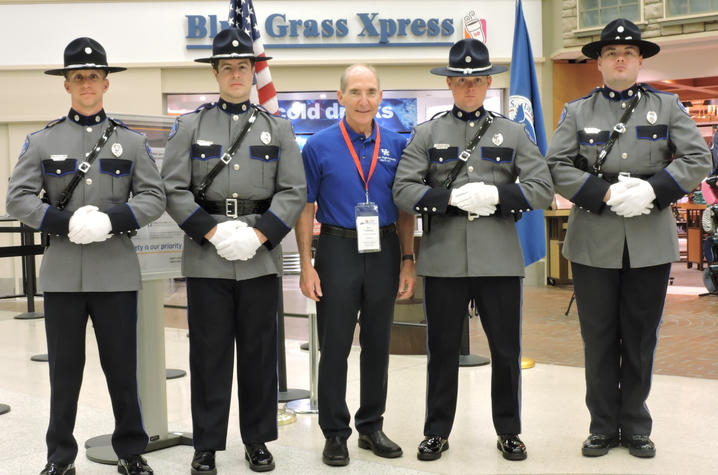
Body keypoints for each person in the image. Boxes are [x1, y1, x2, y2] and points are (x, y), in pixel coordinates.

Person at [546, 18, 712, 458]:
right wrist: (603, 193)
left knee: (640, 337)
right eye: (611, 53)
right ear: (599, 63)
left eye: (629, 53)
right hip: (593, 238)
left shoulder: (669, 106)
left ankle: (636, 425)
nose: (620, 59)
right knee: (597, 336)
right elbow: (556, 165)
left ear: (640, 61)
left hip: (648, 236)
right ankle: (602, 425)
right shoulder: (577, 111)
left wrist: (653, 191)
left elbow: (698, 157)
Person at [5, 37, 165, 475]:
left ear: (106, 83)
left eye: (94, 76)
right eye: (79, 77)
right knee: (64, 374)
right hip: (62, 276)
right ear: (67, 85)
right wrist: (62, 222)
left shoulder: (130, 142)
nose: (87, 83)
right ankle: (59, 457)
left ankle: (131, 452)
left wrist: (112, 221)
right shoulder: (42, 140)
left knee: (122, 371)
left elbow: (154, 197)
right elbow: (16, 199)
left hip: (115, 272)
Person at [392, 38, 553, 462]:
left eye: (477, 80)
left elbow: (541, 187)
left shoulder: (512, 132)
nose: (469, 88)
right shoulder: (428, 133)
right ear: (449, 84)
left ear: (487, 83)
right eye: (461, 81)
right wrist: (449, 200)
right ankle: (436, 430)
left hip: (499, 257)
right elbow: (404, 189)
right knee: (442, 351)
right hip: (444, 257)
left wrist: (497, 195)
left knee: (505, 350)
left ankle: (509, 430)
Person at [162, 28, 306, 474]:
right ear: (216, 73)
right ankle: (206, 444)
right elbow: (172, 188)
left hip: (259, 258)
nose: (236, 74)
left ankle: (257, 440)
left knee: (260, 354)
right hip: (208, 257)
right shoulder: (190, 125)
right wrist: (211, 232)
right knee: (208, 353)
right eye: (228, 67)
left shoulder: (276, 127)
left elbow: (293, 190)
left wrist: (259, 235)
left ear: (253, 71)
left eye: (244, 66)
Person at [296, 64, 416, 467]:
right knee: (334, 348)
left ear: (381, 96)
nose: (364, 100)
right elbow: (306, 206)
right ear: (340, 96)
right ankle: (334, 433)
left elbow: (405, 208)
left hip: (383, 249)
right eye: (355, 92)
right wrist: (306, 266)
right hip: (336, 249)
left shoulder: (398, 144)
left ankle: (371, 426)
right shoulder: (318, 146)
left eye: (371, 91)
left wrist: (407, 260)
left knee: (378, 344)